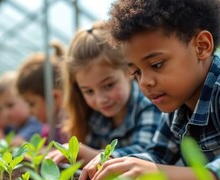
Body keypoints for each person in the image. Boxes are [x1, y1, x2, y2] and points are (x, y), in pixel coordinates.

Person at [79, 0, 220, 180]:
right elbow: (156, 155)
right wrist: (117, 161)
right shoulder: (178, 107)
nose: (145, 82)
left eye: (156, 65)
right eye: (136, 72)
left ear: (201, 46)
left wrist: (163, 176)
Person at [48, 21, 162, 167]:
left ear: (129, 70)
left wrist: (87, 154)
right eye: (89, 91)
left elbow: (146, 157)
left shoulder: (149, 106)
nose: (101, 99)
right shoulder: (95, 118)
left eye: (109, 85)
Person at [17, 41, 67, 143]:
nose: (30, 112)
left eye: (32, 104)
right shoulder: (49, 127)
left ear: (55, 97)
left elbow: (70, 154)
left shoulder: (68, 125)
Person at [0, 71, 43, 147]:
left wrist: (2, 142)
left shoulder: (35, 122)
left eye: (10, 105)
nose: (5, 114)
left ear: (26, 100)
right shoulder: (15, 126)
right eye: (0, 109)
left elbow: (19, 143)